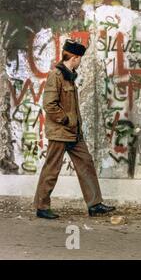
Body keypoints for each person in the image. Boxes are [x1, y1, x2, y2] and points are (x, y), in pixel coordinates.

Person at [34, 40, 116, 219]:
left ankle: (94, 204)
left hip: (73, 132)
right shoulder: (56, 75)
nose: (80, 62)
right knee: (52, 169)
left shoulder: (69, 75)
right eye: (80, 59)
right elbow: (49, 104)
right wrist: (65, 119)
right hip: (60, 131)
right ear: (75, 57)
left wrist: (73, 123)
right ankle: (41, 206)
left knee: (86, 163)